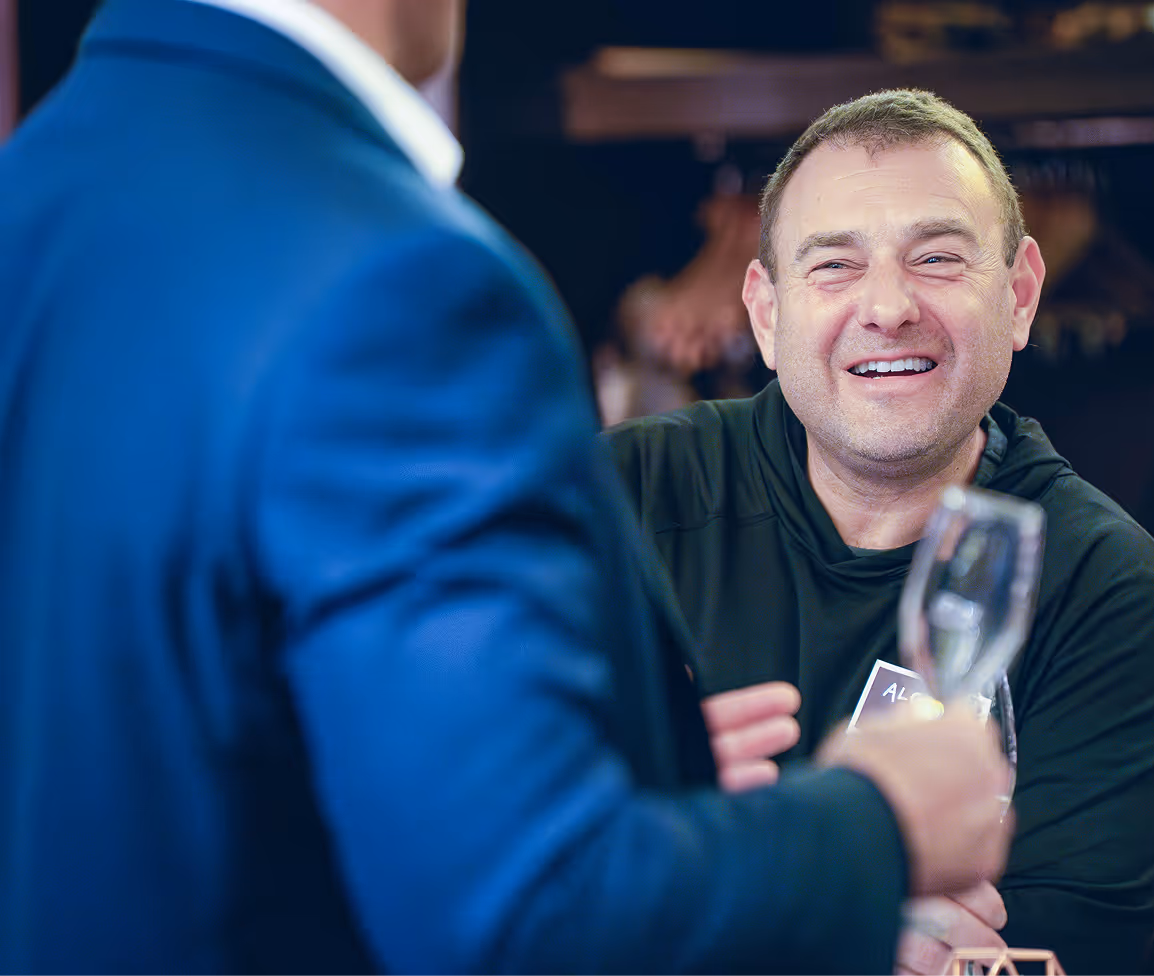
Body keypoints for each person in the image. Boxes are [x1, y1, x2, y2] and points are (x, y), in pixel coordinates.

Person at [0, 6, 1016, 974]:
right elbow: (528, 917)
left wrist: (607, 766)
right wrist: (877, 820)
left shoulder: (37, 186)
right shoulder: (404, 284)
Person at [605, 89, 1154, 976]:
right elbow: (486, 864)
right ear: (765, 314)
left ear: (1020, 294)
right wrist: (842, 908)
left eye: (938, 259)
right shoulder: (625, 496)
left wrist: (695, 855)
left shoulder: (1103, 583)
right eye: (834, 266)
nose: (887, 306)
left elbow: (1051, 957)